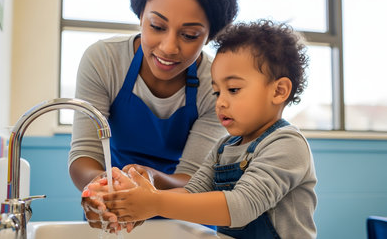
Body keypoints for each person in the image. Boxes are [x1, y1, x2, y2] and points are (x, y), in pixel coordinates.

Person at [99, 20, 318, 238]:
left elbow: (242, 206)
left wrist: (155, 202)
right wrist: (141, 202)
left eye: (233, 89)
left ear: (279, 91)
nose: (220, 102)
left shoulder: (287, 145)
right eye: (217, 92)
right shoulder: (223, 148)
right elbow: (191, 193)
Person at [69, 0, 238, 230]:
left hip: (182, 213)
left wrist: (149, 180)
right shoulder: (104, 60)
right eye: (157, 26)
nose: (168, 47)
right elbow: (84, 156)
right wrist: (104, 188)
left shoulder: (215, 85)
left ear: (210, 35)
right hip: (113, 210)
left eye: (189, 35)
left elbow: (193, 177)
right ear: (140, 16)